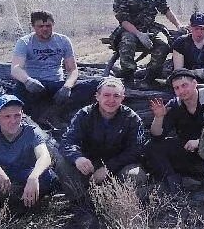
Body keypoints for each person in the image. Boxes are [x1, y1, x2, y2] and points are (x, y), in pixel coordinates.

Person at [59, 77, 148, 216]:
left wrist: (108, 168)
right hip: (90, 164)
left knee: (135, 175)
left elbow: (136, 150)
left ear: (122, 98)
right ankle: (81, 205)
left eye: (116, 96)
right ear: (97, 96)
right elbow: (67, 141)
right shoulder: (84, 114)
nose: (111, 100)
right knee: (63, 162)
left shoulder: (131, 118)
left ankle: (122, 207)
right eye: (106, 95)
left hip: (119, 164)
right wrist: (78, 158)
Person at [146, 69, 204, 192]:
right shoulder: (175, 104)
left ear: (195, 83)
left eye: (184, 85)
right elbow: (157, 136)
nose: (181, 91)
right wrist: (159, 118)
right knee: (152, 146)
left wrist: (201, 142)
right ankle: (173, 183)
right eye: (177, 88)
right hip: (187, 150)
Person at [11, 10, 99, 118]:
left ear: (53, 24)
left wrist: (67, 87)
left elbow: (72, 69)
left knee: (97, 85)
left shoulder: (63, 41)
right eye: (40, 26)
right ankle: (36, 118)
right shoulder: (24, 42)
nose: (45, 29)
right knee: (16, 96)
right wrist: (27, 81)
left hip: (57, 84)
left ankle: (62, 114)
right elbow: (16, 68)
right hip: (34, 86)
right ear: (33, 26)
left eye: (48, 25)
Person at [112, 0, 184, 83]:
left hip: (150, 27)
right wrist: (139, 34)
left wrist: (178, 25)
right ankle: (128, 78)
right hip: (130, 28)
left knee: (164, 44)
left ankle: (150, 77)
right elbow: (123, 20)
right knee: (127, 42)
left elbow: (165, 9)